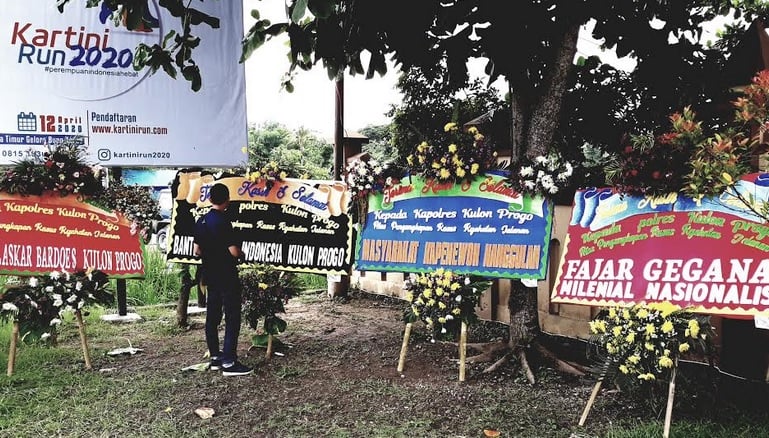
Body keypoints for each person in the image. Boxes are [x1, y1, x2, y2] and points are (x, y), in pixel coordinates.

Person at [193, 183, 252, 376]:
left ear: (210, 199)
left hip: (209, 275)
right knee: (232, 317)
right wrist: (242, 254)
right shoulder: (224, 222)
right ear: (227, 200)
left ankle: (216, 357)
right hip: (226, 275)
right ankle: (229, 362)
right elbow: (233, 251)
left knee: (212, 317)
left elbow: (197, 250)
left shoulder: (201, 221)